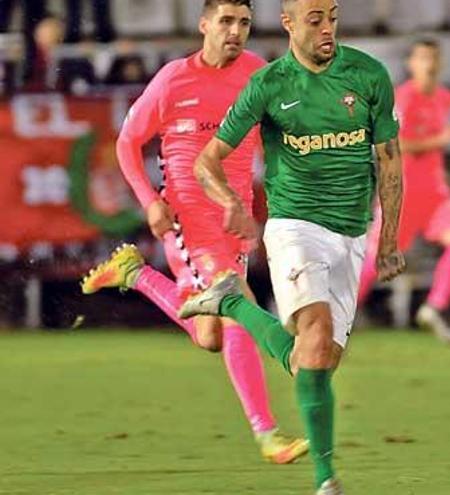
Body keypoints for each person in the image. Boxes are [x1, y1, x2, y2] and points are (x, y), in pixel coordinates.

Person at [177, 0, 405, 492]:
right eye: (315, 19)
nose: (327, 29)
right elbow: (206, 161)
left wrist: (387, 240)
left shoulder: (368, 75)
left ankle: (233, 301)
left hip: (350, 232)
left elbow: (389, 158)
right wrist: (233, 204)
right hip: (294, 226)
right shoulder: (269, 85)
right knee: (317, 335)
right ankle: (327, 481)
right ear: (288, 24)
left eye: (333, 17)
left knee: (312, 361)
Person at [80, 0, 308, 465]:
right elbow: (127, 142)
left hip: (233, 215)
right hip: (187, 212)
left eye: (244, 22)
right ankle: (268, 433)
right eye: (226, 21)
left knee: (211, 336)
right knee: (235, 299)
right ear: (205, 25)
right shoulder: (172, 79)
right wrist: (150, 201)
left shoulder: (257, 73)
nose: (236, 31)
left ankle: (137, 275)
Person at [358, 38, 450, 343]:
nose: (430, 64)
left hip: (435, 194)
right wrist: (440, 140)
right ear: (411, 64)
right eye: (423, 58)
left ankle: (434, 307)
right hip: (402, 193)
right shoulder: (402, 100)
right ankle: (335, 314)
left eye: (434, 58)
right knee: (376, 262)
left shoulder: (445, 98)